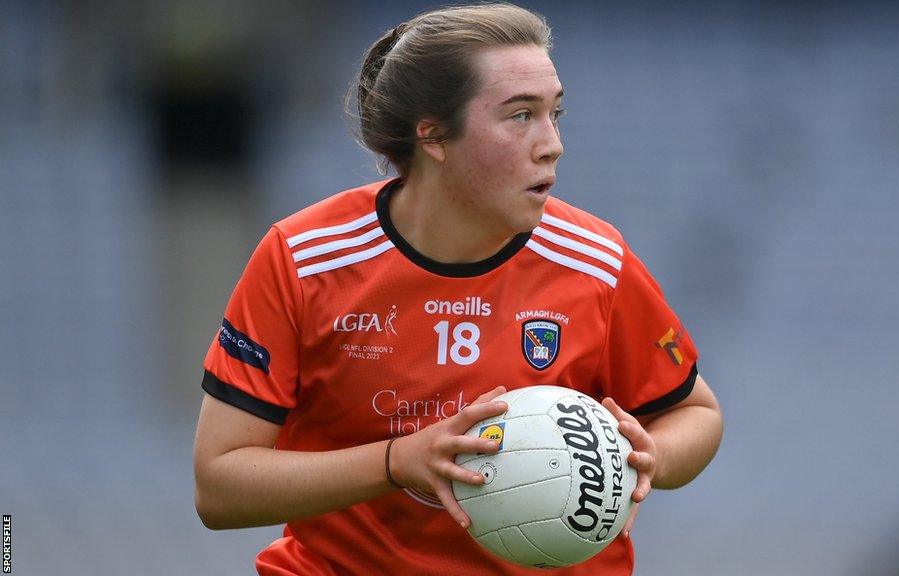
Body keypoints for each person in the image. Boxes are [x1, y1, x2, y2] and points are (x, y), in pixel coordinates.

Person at [193, 3, 723, 575]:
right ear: (434, 135)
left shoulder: (594, 260)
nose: (552, 144)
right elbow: (220, 488)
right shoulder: (304, 259)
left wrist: (649, 455)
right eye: (521, 115)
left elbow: (695, 413)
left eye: (554, 113)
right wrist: (398, 461)